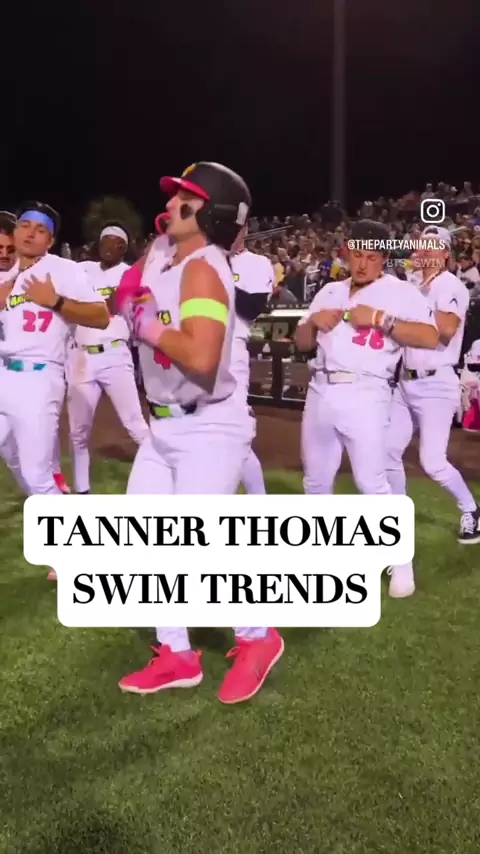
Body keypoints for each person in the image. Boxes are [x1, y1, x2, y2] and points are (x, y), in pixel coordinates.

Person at [117, 162, 284, 704]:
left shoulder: (204, 268)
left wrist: (148, 326)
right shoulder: (171, 260)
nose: (170, 205)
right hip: (167, 426)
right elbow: (127, 294)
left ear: (210, 213)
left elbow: (204, 358)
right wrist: (137, 304)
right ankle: (177, 654)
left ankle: (258, 635)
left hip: (208, 425)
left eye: (184, 198)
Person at [295, 220, 438, 595]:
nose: (362, 264)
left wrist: (380, 319)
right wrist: (312, 323)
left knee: (371, 483)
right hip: (321, 388)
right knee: (316, 481)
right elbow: (302, 341)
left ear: (384, 258)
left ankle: (400, 563)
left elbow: (430, 336)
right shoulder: (330, 290)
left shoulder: (399, 292)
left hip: (367, 390)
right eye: (357, 254)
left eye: (371, 257)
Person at [0, 201, 109, 558]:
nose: (30, 233)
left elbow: (100, 316)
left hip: (37, 378)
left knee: (37, 475)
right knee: (16, 460)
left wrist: (57, 302)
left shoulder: (62, 270)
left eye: (40, 229)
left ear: (50, 240)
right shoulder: (7, 275)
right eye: (25, 225)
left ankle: (71, 550)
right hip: (3, 374)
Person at [385, 226, 479, 596]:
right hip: (404, 383)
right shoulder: (416, 285)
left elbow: (445, 330)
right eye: (422, 245)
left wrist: (399, 318)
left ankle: (471, 509)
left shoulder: (449, 285)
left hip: (436, 382)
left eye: (432, 247)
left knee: (433, 461)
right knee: (387, 453)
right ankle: (395, 530)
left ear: (445, 254)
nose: (424, 251)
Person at [67, 222, 148, 493]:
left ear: (123, 247)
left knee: (135, 424)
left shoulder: (130, 274)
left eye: (114, 242)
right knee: (78, 433)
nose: (107, 246)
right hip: (80, 357)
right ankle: (82, 492)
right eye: (104, 241)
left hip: (114, 355)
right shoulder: (82, 269)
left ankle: (164, 478)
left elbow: (112, 306)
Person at [230, 225, 274, 493]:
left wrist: (217, 278)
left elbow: (251, 308)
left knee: (235, 429)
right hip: (195, 346)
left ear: (245, 229)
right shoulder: (200, 258)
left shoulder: (256, 263)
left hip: (230, 350)